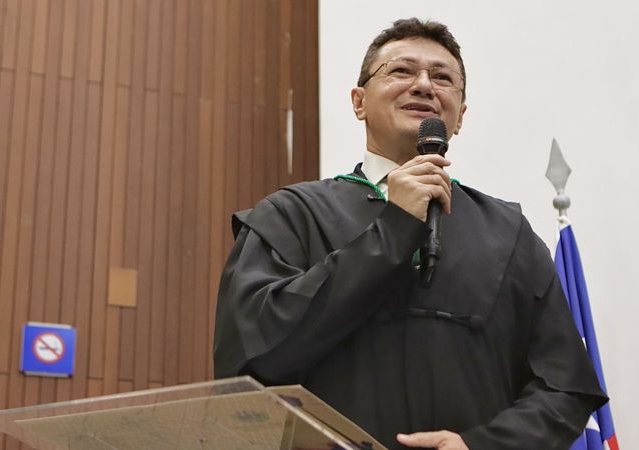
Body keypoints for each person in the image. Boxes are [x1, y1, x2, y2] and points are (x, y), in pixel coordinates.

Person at [214, 18, 608, 450]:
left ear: (460, 116)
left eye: (443, 78)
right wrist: (395, 225)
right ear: (359, 102)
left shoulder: (509, 232)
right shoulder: (291, 215)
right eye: (401, 70)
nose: (423, 85)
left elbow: (565, 386)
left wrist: (481, 445)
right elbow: (251, 356)